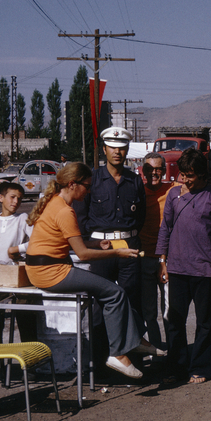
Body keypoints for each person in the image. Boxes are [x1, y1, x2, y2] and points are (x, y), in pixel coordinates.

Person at [25, 162, 162, 379]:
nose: (89, 191)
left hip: (43, 268)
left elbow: (67, 242)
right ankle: (118, 353)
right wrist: (118, 253)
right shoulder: (65, 211)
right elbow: (82, 255)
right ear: (72, 184)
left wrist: (96, 244)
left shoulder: (54, 202)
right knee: (115, 292)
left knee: (110, 293)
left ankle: (136, 341)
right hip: (51, 272)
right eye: (87, 186)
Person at [156, 148, 211, 384]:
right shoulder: (173, 195)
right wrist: (162, 261)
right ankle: (176, 367)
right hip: (177, 269)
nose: (185, 180)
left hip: (205, 270)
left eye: (190, 175)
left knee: (204, 322)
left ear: (201, 174)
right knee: (175, 321)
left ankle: (200, 367)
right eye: (183, 175)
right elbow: (165, 229)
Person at [75, 126, 147, 367]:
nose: (117, 151)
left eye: (122, 147)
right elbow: (80, 217)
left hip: (128, 246)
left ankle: (132, 360)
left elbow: (141, 217)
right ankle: (99, 362)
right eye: (113, 147)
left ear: (127, 150)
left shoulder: (134, 180)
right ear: (104, 149)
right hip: (101, 249)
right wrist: (92, 242)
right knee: (98, 304)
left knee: (132, 303)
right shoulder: (91, 180)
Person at [0, 183, 37, 374]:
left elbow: (35, 240)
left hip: (18, 269)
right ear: (1, 198)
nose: (16, 201)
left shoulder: (22, 218)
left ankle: (31, 362)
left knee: (25, 313)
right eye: (12, 197)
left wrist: (17, 249)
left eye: (19, 198)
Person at [139, 152, 177, 351]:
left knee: (169, 310)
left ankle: (172, 351)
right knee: (149, 312)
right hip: (144, 258)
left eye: (158, 169)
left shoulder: (173, 189)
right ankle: (155, 350)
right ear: (142, 170)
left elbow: (203, 188)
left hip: (167, 258)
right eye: (149, 169)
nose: (154, 173)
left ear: (164, 170)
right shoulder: (136, 191)